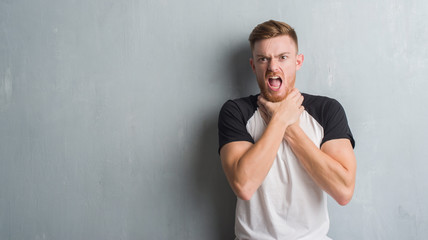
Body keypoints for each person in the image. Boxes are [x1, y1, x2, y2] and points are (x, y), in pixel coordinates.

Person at [218, 20, 356, 240]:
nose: (273, 67)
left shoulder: (327, 110)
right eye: (264, 59)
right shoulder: (235, 112)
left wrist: (290, 128)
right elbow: (244, 185)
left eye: (283, 57)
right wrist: (280, 120)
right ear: (253, 65)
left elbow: (343, 191)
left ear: (297, 61)